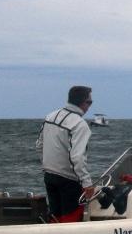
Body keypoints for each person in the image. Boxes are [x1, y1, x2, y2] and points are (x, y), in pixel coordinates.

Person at [36, 86, 95, 222]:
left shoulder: (50, 117)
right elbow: (77, 157)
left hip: (49, 176)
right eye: (89, 102)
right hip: (69, 181)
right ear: (82, 102)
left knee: (55, 217)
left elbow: (39, 146)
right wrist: (87, 183)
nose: (89, 107)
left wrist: (48, 165)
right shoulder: (80, 124)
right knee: (71, 218)